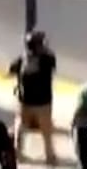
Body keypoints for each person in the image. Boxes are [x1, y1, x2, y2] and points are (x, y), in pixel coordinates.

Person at [8, 30, 57, 165]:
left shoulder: (23, 59)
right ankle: (49, 157)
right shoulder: (47, 59)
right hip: (43, 102)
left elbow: (11, 69)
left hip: (25, 101)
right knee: (46, 131)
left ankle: (17, 153)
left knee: (20, 127)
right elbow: (53, 65)